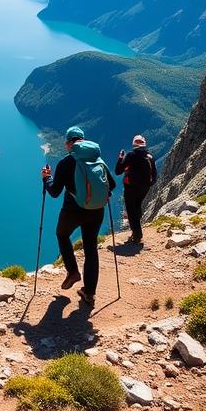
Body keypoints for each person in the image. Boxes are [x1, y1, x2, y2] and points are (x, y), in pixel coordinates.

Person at [42, 125, 116, 307]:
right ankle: (89, 293)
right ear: (83, 140)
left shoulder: (66, 163)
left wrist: (46, 178)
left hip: (72, 211)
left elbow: (54, 192)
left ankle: (73, 271)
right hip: (96, 211)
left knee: (62, 235)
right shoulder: (96, 159)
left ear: (69, 144)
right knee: (91, 249)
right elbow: (112, 185)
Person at [114, 134, 157, 245]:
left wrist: (120, 158)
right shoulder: (150, 156)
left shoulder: (130, 156)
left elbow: (118, 171)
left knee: (130, 211)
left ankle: (137, 235)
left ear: (134, 144)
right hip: (145, 188)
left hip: (131, 188)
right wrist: (148, 184)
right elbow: (154, 175)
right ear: (144, 144)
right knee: (137, 206)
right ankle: (136, 231)